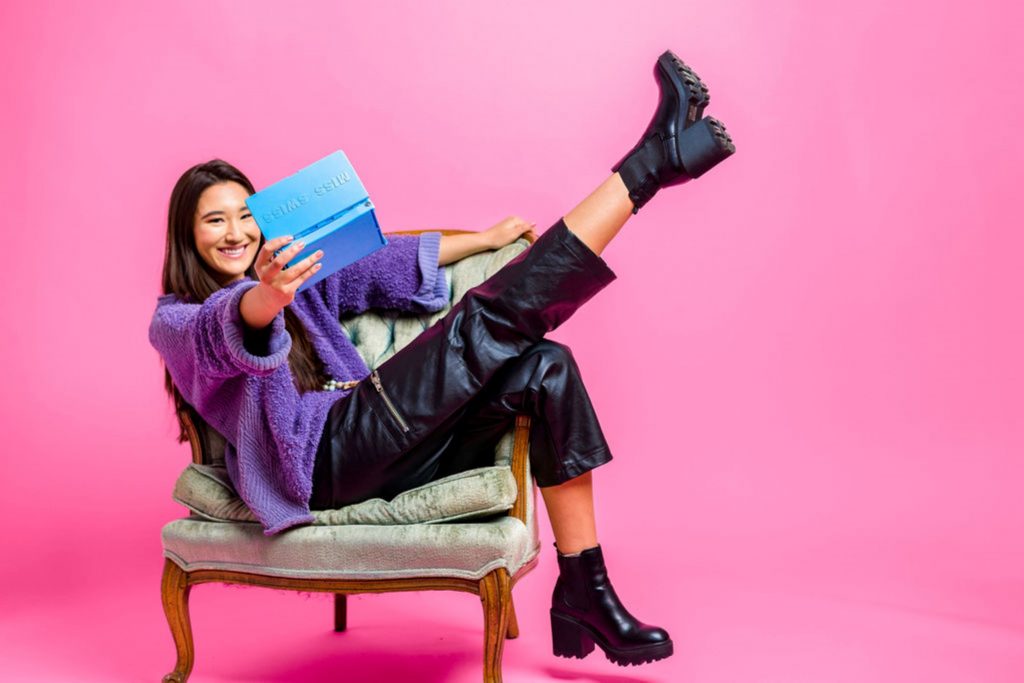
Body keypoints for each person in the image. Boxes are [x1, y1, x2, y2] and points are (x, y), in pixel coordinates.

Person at [149, 49, 734, 668]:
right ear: (188, 237)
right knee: (484, 322)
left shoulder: (300, 283)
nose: (235, 231)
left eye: (246, 215)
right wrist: (268, 293)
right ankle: (649, 168)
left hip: (373, 448)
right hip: (319, 466)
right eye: (215, 220)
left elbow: (382, 263)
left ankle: (584, 588)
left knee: (545, 367)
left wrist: (481, 240)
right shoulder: (178, 322)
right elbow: (234, 322)